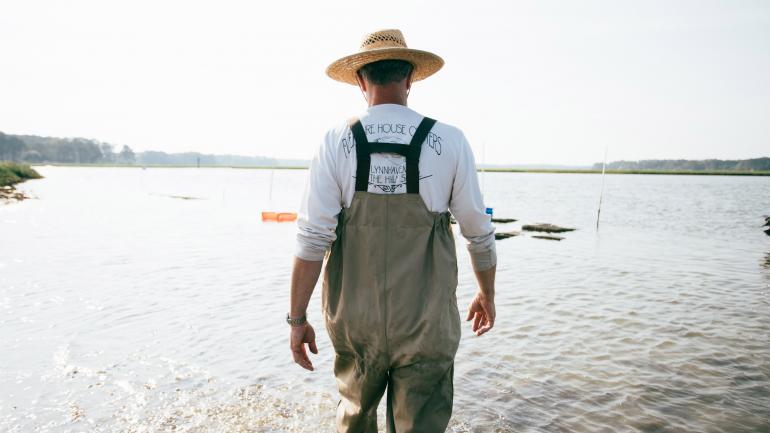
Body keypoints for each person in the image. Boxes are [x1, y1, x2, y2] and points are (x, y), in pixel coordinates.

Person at [288, 29, 497, 433]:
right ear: (410, 78)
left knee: (354, 420)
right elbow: (478, 232)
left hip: (355, 322)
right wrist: (486, 293)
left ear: (360, 80)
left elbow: (312, 239)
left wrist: (297, 319)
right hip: (427, 323)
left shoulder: (335, 141)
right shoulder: (450, 140)